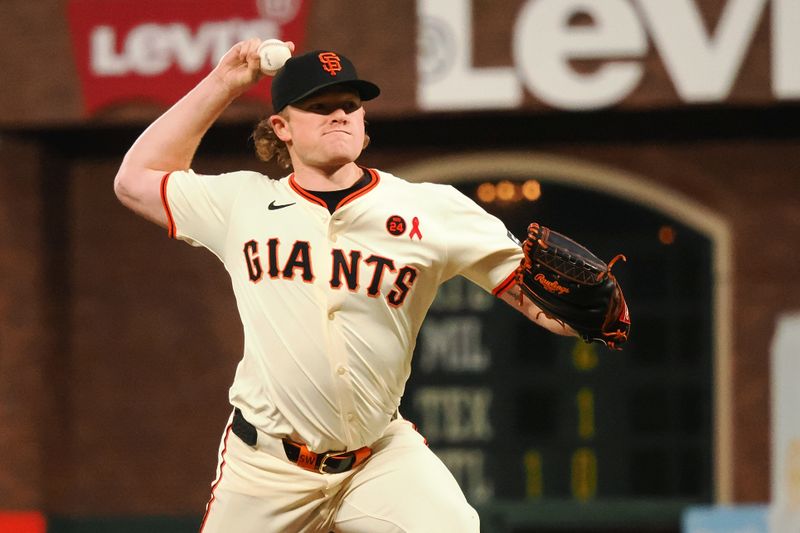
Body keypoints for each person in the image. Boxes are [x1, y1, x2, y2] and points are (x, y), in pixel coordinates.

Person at [114, 38, 576, 533]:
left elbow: (544, 303)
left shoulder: (431, 209)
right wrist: (225, 83)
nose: (339, 115)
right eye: (319, 106)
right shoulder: (241, 204)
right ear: (282, 127)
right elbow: (135, 179)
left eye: (349, 106)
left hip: (378, 460)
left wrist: (580, 318)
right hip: (266, 467)